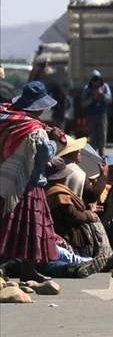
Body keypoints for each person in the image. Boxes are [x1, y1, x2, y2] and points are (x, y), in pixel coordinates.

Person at [0, 82, 63, 281]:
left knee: (15, 228)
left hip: (8, 181)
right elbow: (43, 155)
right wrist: (53, 141)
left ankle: (28, 271)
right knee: (30, 228)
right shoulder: (33, 128)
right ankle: (26, 269)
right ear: (40, 107)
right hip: (27, 185)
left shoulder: (10, 120)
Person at [45, 156, 108, 258]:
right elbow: (72, 214)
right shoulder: (59, 193)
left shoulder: (48, 189)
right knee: (74, 258)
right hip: (66, 234)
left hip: (58, 231)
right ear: (61, 176)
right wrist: (88, 216)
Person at [80, 69, 112, 153]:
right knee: (93, 137)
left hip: (102, 115)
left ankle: (101, 153)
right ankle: (93, 154)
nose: (95, 82)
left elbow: (109, 99)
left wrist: (102, 95)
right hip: (91, 115)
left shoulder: (105, 87)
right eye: (94, 80)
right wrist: (92, 98)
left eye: (97, 80)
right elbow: (83, 103)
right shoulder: (87, 89)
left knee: (102, 136)